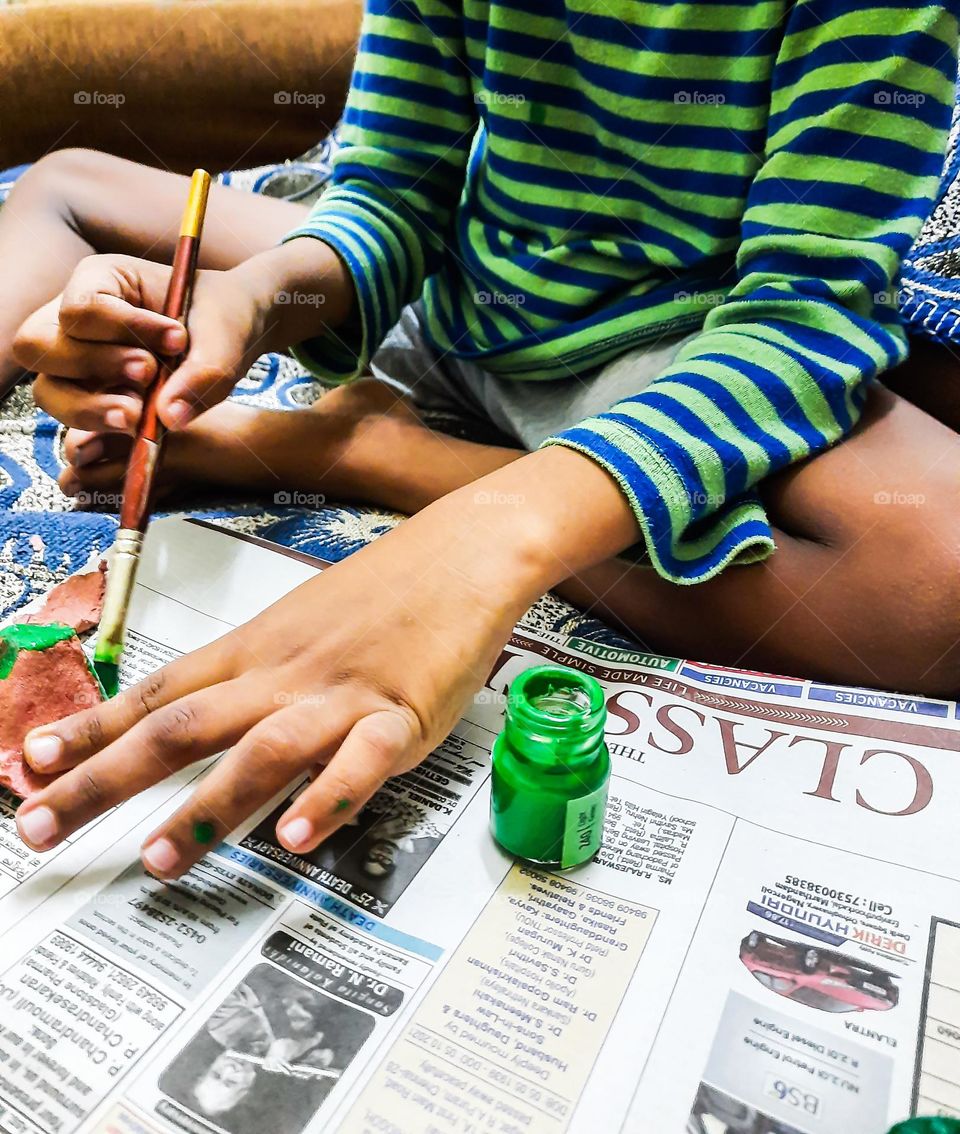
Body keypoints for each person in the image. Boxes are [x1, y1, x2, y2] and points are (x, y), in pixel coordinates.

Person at [7, 0, 960, 882]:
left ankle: (361, 447)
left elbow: (802, 319)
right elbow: (390, 197)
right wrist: (262, 300)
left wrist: (477, 542)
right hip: (450, 293)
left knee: (936, 597)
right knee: (68, 184)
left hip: (674, 349)